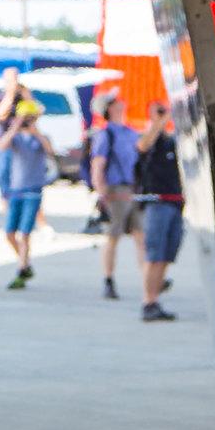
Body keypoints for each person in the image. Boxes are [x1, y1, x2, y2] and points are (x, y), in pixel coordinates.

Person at [89, 94, 144, 300]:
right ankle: (108, 279)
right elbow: (98, 165)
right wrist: (102, 191)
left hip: (132, 190)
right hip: (115, 191)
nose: (122, 102)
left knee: (141, 235)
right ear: (109, 109)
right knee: (113, 236)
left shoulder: (130, 133)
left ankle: (148, 275)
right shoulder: (106, 135)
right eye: (116, 102)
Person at [0, 99, 55, 289]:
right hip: (16, 190)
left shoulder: (39, 138)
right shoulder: (16, 138)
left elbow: (50, 150)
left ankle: (21, 270)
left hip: (33, 191)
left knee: (25, 233)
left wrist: (35, 129)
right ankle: (25, 263)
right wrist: (16, 125)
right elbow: (2, 145)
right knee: (9, 233)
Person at [135, 100, 184, 321]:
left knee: (165, 255)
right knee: (154, 255)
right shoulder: (149, 139)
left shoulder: (170, 141)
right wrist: (158, 121)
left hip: (175, 203)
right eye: (158, 112)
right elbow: (143, 146)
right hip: (157, 204)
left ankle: (155, 298)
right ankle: (148, 301)